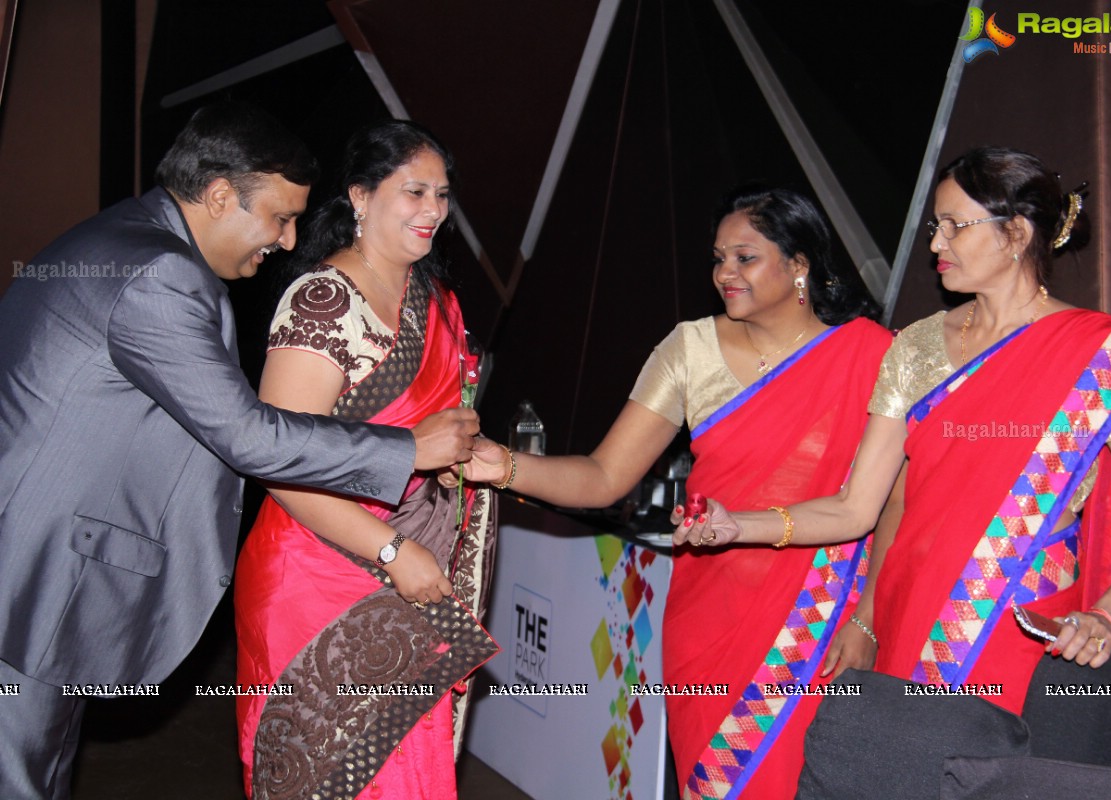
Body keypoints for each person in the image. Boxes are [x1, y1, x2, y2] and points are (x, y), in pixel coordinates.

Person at [0, 103, 480, 800]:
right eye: (279, 218)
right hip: (30, 576)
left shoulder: (123, 240)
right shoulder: (160, 274)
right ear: (220, 195)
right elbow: (249, 434)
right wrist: (406, 447)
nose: (288, 241)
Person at [680, 147, 1111, 717]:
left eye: (953, 227)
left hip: (1022, 620)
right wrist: (735, 525)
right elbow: (855, 509)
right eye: (934, 226)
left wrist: (1108, 615)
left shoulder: (1099, 356)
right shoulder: (915, 348)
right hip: (913, 609)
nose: (935, 244)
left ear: (1015, 233)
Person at [465, 185, 895, 798]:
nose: (725, 273)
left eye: (745, 257)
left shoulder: (871, 354)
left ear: (799, 264)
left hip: (824, 615)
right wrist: (503, 466)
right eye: (718, 258)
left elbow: (892, 501)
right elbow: (606, 477)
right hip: (710, 611)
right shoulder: (690, 350)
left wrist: (869, 615)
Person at [234, 120, 497, 800]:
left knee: (406, 772)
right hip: (318, 575)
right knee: (325, 775)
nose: (433, 211)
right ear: (359, 196)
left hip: (410, 568)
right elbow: (278, 461)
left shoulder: (435, 301)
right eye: (413, 192)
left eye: (441, 195)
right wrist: (392, 552)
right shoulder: (324, 301)